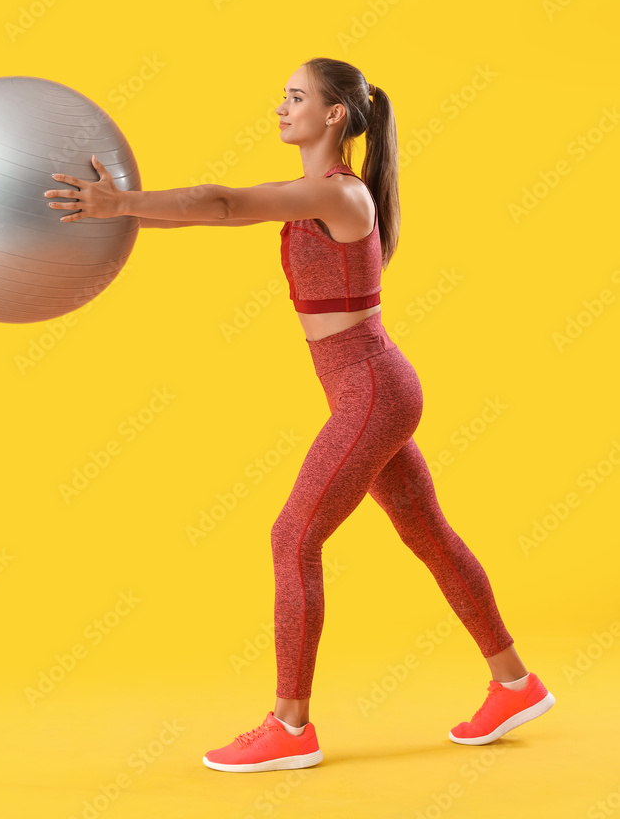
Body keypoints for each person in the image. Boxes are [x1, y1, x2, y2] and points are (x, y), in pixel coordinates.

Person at [42, 57, 556, 774]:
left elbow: (223, 203)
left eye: (295, 97)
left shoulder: (342, 197)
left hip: (372, 391)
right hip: (372, 389)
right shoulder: (320, 193)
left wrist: (123, 206)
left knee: (293, 536)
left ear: (335, 115)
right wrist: (124, 212)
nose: (280, 107)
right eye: (280, 95)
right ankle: (515, 683)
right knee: (428, 533)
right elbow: (222, 207)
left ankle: (290, 727)